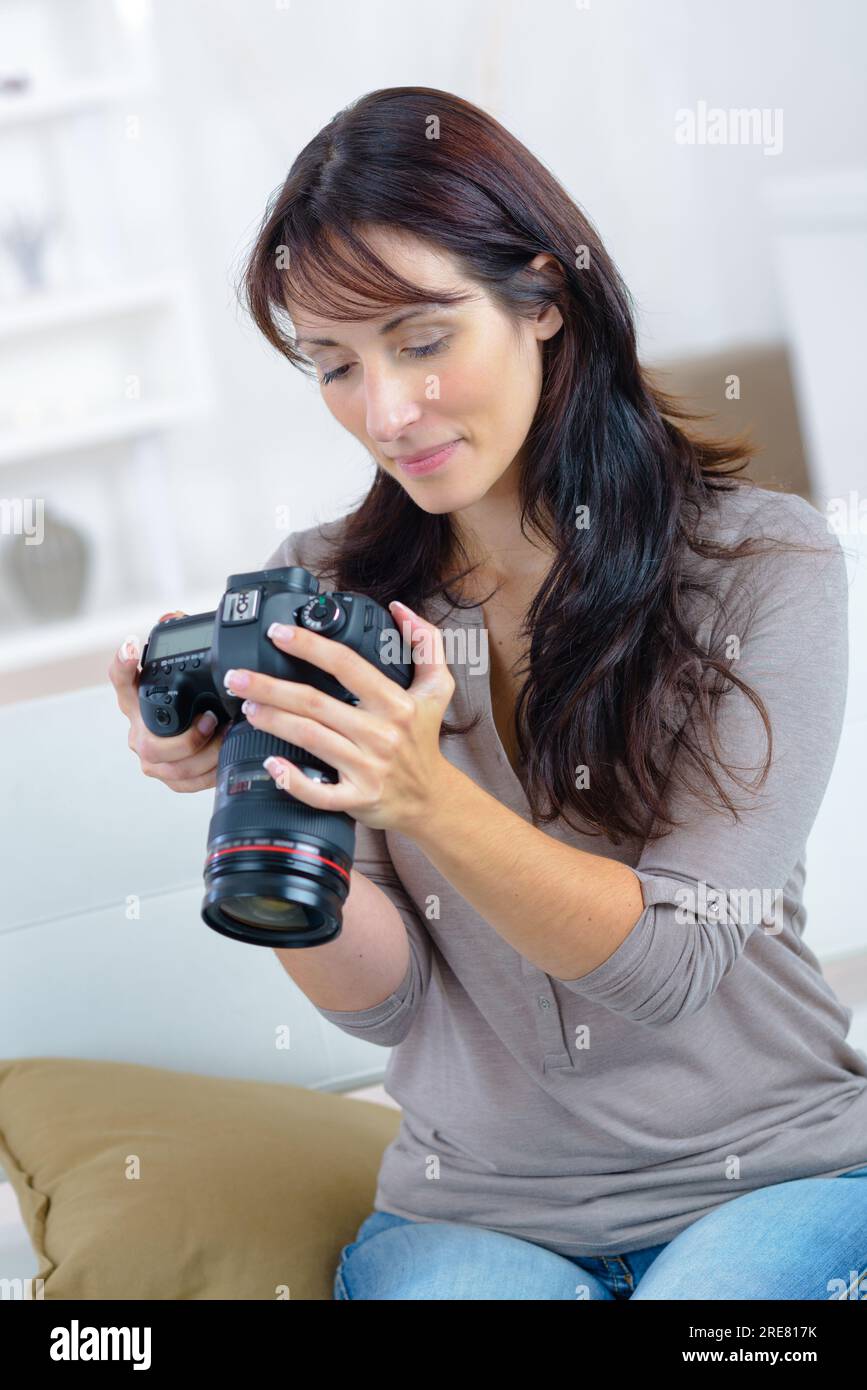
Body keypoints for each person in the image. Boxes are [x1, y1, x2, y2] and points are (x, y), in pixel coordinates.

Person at [109, 87, 867, 1300]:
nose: (386, 411)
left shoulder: (763, 565)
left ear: (543, 299)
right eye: (334, 367)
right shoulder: (323, 590)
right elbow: (385, 1000)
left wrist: (420, 797)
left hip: (778, 1179)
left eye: (421, 340)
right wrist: (267, 795)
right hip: (475, 1213)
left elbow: (672, 964)